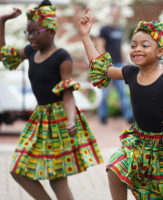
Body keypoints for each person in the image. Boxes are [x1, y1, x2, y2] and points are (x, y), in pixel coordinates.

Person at [80, 8, 163, 200]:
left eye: (145, 45)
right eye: (133, 45)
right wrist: (85, 36)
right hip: (138, 142)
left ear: (159, 51)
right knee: (114, 168)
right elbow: (101, 68)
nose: (137, 49)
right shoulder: (130, 72)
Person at [0, 1, 103, 199]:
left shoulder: (62, 57)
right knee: (18, 170)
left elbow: (68, 93)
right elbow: (3, 56)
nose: (30, 37)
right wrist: (2, 21)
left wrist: (71, 119)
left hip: (59, 119)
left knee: (57, 178)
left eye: (35, 32)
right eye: (27, 32)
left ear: (51, 31)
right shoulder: (30, 52)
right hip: (40, 118)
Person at [95, 5, 133, 125]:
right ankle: (103, 116)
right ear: (110, 14)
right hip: (107, 65)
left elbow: (120, 47)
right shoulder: (104, 29)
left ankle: (129, 117)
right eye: (113, 13)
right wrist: (104, 64)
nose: (115, 15)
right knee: (104, 93)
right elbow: (100, 46)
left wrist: (124, 61)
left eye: (117, 13)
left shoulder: (119, 29)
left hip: (119, 64)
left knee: (122, 92)